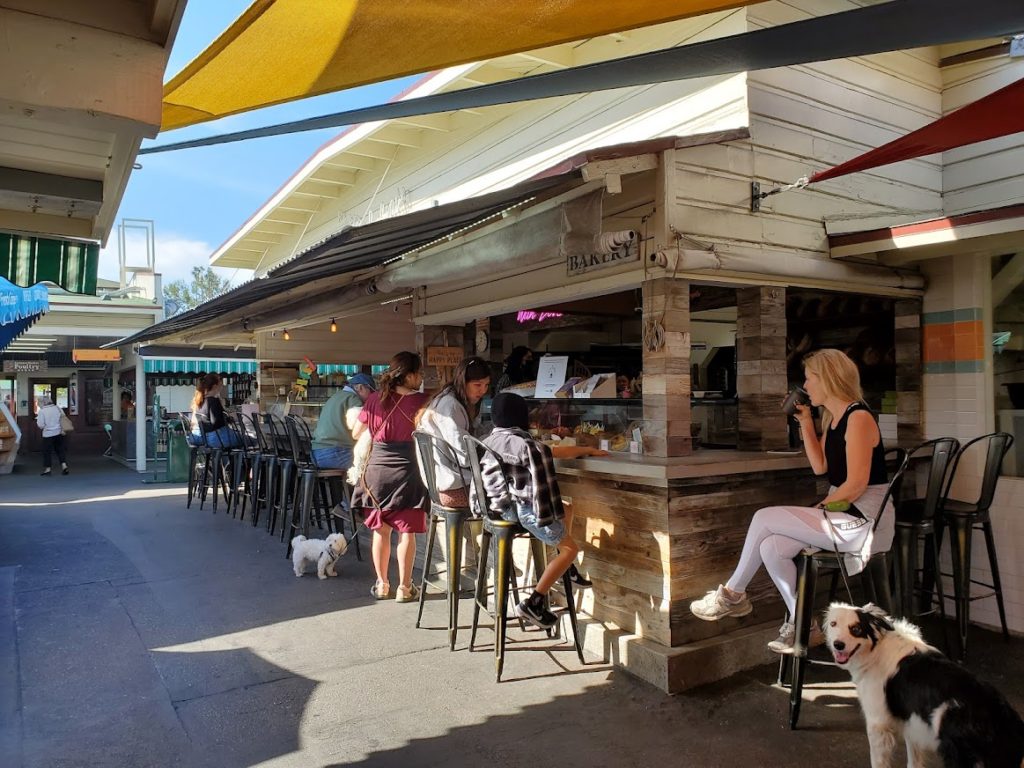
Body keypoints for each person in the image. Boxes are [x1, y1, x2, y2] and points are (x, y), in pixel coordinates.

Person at [689, 348, 894, 654]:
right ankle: (804, 624)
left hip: (863, 519)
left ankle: (733, 594)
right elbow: (820, 467)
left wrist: (822, 508)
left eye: (810, 378)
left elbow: (855, 485)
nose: (806, 385)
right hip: (841, 512)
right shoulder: (835, 418)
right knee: (771, 547)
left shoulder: (859, 417)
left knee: (763, 517)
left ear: (829, 379)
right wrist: (806, 421)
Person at [480, 392, 583, 629]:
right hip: (521, 511)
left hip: (497, 509)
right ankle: (534, 603)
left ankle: (565, 567)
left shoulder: (486, 441)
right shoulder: (529, 447)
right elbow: (542, 494)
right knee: (570, 549)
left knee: (566, 509)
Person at [350, 352, 429, 602]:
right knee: (407, 531)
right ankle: (405, 588)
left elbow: (355, 432)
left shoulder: (374, 399)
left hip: (377, 471)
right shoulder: (423, 401)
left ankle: (382, 584)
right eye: (419, 373)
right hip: (408, 468)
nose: (421, 377)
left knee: (380, 530)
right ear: (408, 375)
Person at [418, 356, 491, 508]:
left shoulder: (448, 399)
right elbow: (465, 456)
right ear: (463, 382)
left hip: (447, 483)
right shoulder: (450, 406)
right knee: (507, 492)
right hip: (455, 488)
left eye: (486, 385)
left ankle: (483, 531)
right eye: (477, 385)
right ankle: (492, 531)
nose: (483, 390)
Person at [311, 372, 376, 472]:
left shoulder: (337, 395)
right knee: (374, 464)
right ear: (360, 387)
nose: (372, 396)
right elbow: (359, 432)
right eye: (371, 391)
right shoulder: (353, 399)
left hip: (318, 453)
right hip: (335, 453)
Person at [188, 374, 243, 449]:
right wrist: (229, 418)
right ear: (214, 386)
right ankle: (239, 459)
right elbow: (216, 422)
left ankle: (228, 458)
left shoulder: (199, 401)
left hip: (201, 436)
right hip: (216, 438)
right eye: (220, 385)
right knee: (251, 440)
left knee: (235, 442)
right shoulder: (213, 400)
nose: (221, 388)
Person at [36, 395, 69, 475]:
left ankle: (48, 469)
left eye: (39, 402)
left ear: (42, 402)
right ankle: (64, 466)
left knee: (47, 452)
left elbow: (40, 425)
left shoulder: (42, 411)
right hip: (59, 433)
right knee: (60, 450)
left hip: (48, 434)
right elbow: (63, 418)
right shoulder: (57, 408)